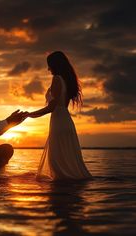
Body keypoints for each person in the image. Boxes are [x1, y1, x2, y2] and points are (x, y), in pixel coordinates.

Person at [27, 51, 92, 180]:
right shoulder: (68, 81)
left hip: (59, 124)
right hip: (65, 121)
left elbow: (52, 107)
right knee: (66, 164)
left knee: (58, 166)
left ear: (55, 65)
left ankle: (59, 198)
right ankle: (67, 195)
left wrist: (30, 114)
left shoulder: (57, 79)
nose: (48, 68)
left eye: (49, 65)